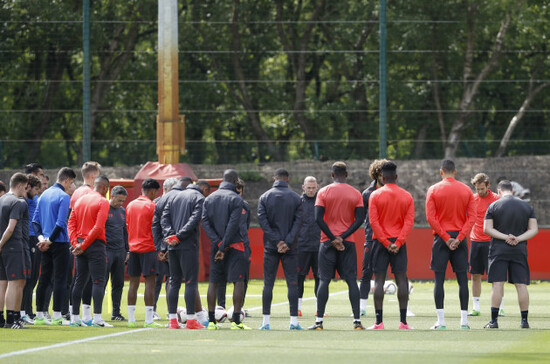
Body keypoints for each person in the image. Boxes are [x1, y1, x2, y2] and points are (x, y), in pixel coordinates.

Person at [309, 161, 365, 330]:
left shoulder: (323, 192)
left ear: (332, 175)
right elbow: (360, 219)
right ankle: (356, 321)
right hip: (347, 243)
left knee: (324, 280)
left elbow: (318, 218)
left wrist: (333, 238)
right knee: (351, 281)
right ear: (346, 175)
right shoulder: (356, 193)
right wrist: (342, 237)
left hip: (327, 242)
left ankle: (319, 322)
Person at [426, 159, 475, 330]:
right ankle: (464, 321)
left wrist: (446, 238)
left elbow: (430, 218)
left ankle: (441, 321)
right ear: (455, 172)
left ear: (441, 172)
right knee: (463, 280)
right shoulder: (467, 190)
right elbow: (472, 218)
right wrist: (460, 237)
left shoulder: (433, 189)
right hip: (459, 240)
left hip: (441, 239)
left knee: (439, 280)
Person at [483, 180, 538, 329]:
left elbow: (487, 229)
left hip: (499, 249)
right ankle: (524, 321)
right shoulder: (527, 206)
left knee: (498, 283)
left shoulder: (493, 205)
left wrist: (505, 237)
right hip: (519, 249)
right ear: (512, 190)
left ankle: (494, 321)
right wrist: (518, 238)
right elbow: (534, 229)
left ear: (499, 191)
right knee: (521, 285)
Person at [367, 161, 415, 330]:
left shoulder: (375, 195)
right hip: (399, 242)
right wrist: (398, 242)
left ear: (383, 177)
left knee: (379, 280)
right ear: (395, 176)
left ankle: (379, 322)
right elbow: (409, 223)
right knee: (402, 279)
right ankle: (403, 322)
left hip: (380, 242)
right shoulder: (407, 196)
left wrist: (386, 242)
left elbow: (374, 222)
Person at [202, 169, 251, 330]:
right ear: (235, 180)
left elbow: (205, 223)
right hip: (235, 246)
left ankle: (211, 321)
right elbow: (233, 224)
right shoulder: (236, 199)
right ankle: (236, 321)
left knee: (214, 282)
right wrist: (224, 246)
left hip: (216, 248)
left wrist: (218, 244)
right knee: (238, 281)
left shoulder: (209, 199)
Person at [258, 168, 303, 330]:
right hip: (290, 247)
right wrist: (287, 242)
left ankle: (266, 322)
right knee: (292, 283)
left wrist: (276, 241)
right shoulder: (296, 198)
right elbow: (298, 223)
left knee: (268, 283)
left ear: (274, 179)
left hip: (271, 246)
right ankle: (293, 322)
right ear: (288, 179)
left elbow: (263, 222)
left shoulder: (264, 197)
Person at [32, 167, 76, 326]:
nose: (70, 185)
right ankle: (57, 315)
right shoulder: (64, 196)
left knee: (43, 278)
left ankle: (38, 315)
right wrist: (49, 240)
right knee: (60, 278)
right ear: (67, 180)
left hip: (44, 242)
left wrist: (42, 239)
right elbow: (60, 222)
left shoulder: (43, 195)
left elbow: (35, 221)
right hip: (59, 242)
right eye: (71, 182)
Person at [161, 180, 205, 329]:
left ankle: (173, 320)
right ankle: (191, 320)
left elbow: (164, 218)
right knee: (190, 282)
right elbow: (194, 220)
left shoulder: (174, 197)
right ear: (202, 189)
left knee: (174, 281)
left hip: (172, 245)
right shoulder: (199, 198)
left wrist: (171, 236)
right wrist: (179, 236)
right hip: (188, 245)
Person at [68, 176, 111, 327]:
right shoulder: (103, 201)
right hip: (94, 245)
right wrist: (83, 245)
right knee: (98, 281)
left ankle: (75, 318)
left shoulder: (80, 200)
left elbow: (71, 224)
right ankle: (97, 319)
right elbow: (98, 227)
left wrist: (76, 244)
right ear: (105, 188)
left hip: (79, 245)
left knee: (79, 281)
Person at [126, 178, 163, 328]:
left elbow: (127, 227)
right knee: (150, 283)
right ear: (153, 191)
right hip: (149, 248)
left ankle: (131, 319)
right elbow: (157, 229)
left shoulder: (130, 205)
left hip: (133, 248)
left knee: (133, 284)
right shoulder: (152, 206)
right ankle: (148, 320)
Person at [468, 173, 502, 317]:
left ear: (488, 185)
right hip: (476, 241)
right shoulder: (472, 199)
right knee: (475, 275)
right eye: (477, 189)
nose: (479, 192)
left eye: (482, 188)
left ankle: (500, 307)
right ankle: (476, 307)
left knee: (496, 277)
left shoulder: (497, 199)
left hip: (492, 241)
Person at [0, 173, 30, 328]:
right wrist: (1, 243)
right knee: (14, 284)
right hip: (12, 247)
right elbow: (11, 228)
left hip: (3, 249)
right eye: (25, 187)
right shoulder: (16, 202)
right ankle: (12, 320)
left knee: (2, 283)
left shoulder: (1, 200)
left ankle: (1, 319)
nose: (25, 191)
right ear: (19, 185)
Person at [359, 159, 387, 317]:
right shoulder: (367, 193)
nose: (385, 177)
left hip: (390, 239)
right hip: (372, 238)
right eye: (382, 174)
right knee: (366, 272)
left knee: (398, 273)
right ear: (376, 175)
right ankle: (362, 307)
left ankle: (405, 308)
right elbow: (363, 217)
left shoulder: (393, 192)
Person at [151, 177, 180, 320]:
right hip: (162, 247)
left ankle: (171, 311)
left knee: (171, 279)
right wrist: (160, 249)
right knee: (157, 280)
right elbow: (154, 227)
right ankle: (153, 310)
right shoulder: (157, 203)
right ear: (166, 189)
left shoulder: (176, 202)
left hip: (172, 247)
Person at [104, 185, 129, 321]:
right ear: (112, 196)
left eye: (123, 201)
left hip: (120, 251)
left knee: (118, 283)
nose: (120, 203)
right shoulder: (104, 209)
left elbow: (124, 232)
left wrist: (127, 250)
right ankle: (96, 314)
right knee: (101, 282)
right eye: (119, 200)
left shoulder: (122, 211)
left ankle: (116, 313)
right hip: (107, 250)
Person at [297, 176, 320, 317]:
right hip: (302, 246)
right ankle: (298, 308)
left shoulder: (322, 201)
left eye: (313, 188)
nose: (311, 190)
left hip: (319, 246)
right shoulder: (297, 203)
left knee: (320, 277)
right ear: (303, 187)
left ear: (317, 187)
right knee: (299, 277)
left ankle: (319, 309)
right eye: (308, 187)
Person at [20, 174, 42, 324]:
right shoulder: (24, 200)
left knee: (33, 277)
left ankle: (27, 311)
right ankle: (24, 311)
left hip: (34, 239)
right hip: (29, 238)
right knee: (28, 278)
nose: (37, 192)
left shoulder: (31, 199)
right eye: (36, 189)